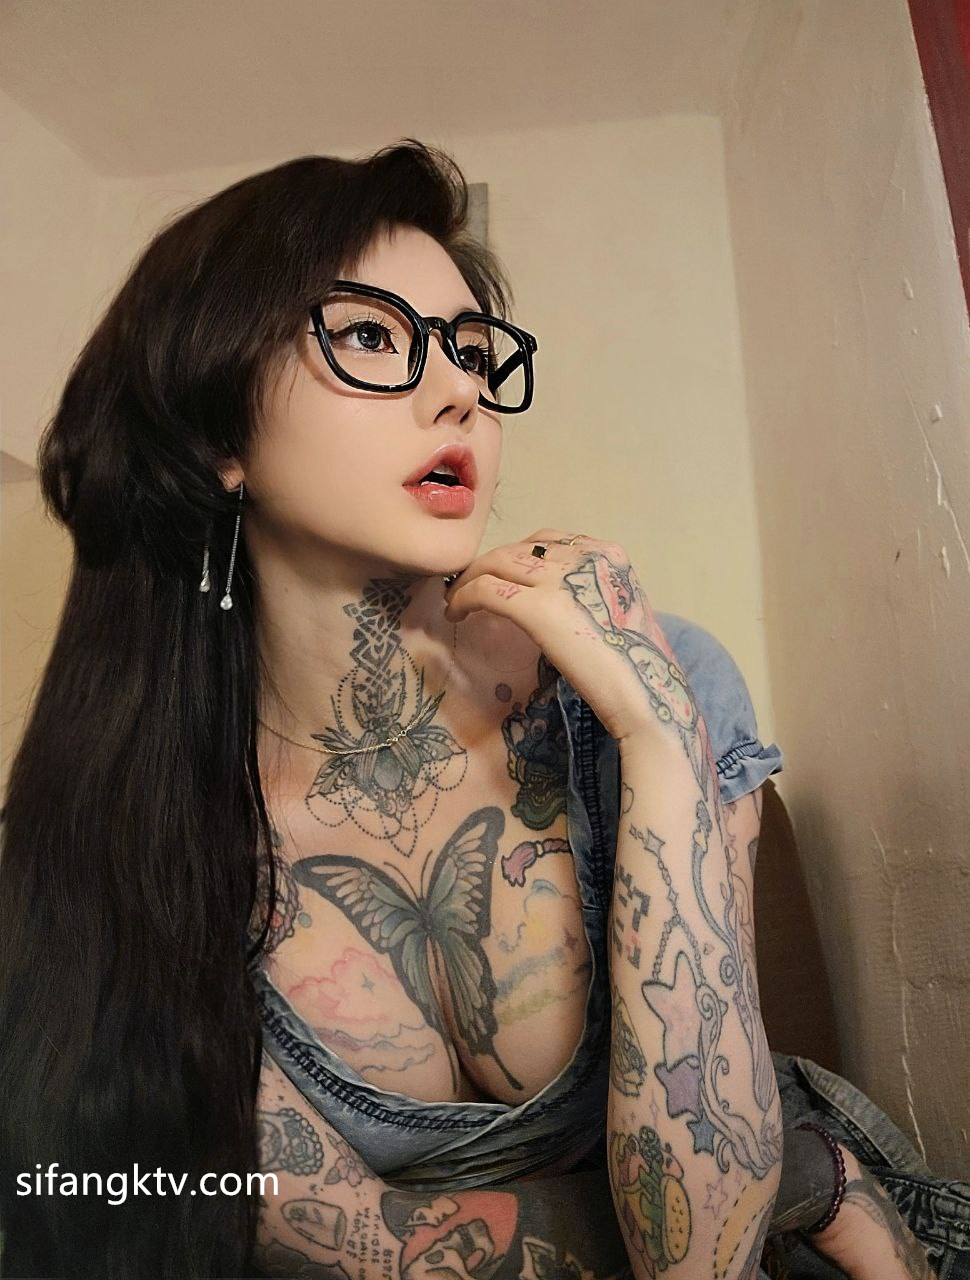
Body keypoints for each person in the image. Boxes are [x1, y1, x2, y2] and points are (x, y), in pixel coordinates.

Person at [0, 141, 966, 1280]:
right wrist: (803, 1173)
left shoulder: (653, 681)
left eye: (469, 348)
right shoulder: (132, 831)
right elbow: (371, 1251)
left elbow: (701, 1258)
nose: (459, 388)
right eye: (370, 336)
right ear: (217, 439)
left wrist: (658, 739)